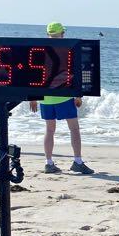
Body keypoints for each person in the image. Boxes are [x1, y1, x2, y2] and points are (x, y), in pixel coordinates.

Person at [28, 22, 94, 175]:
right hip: (64, 95)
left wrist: (33, 97)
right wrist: (78, 94)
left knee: (49, 130)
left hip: (44, 98)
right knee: (74, 129)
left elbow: (33, 73)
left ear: (48, 34)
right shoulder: (67, 49)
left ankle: (49, 163)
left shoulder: (40, 50)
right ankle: (77, 161)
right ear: (62, 34)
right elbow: (75, 72)